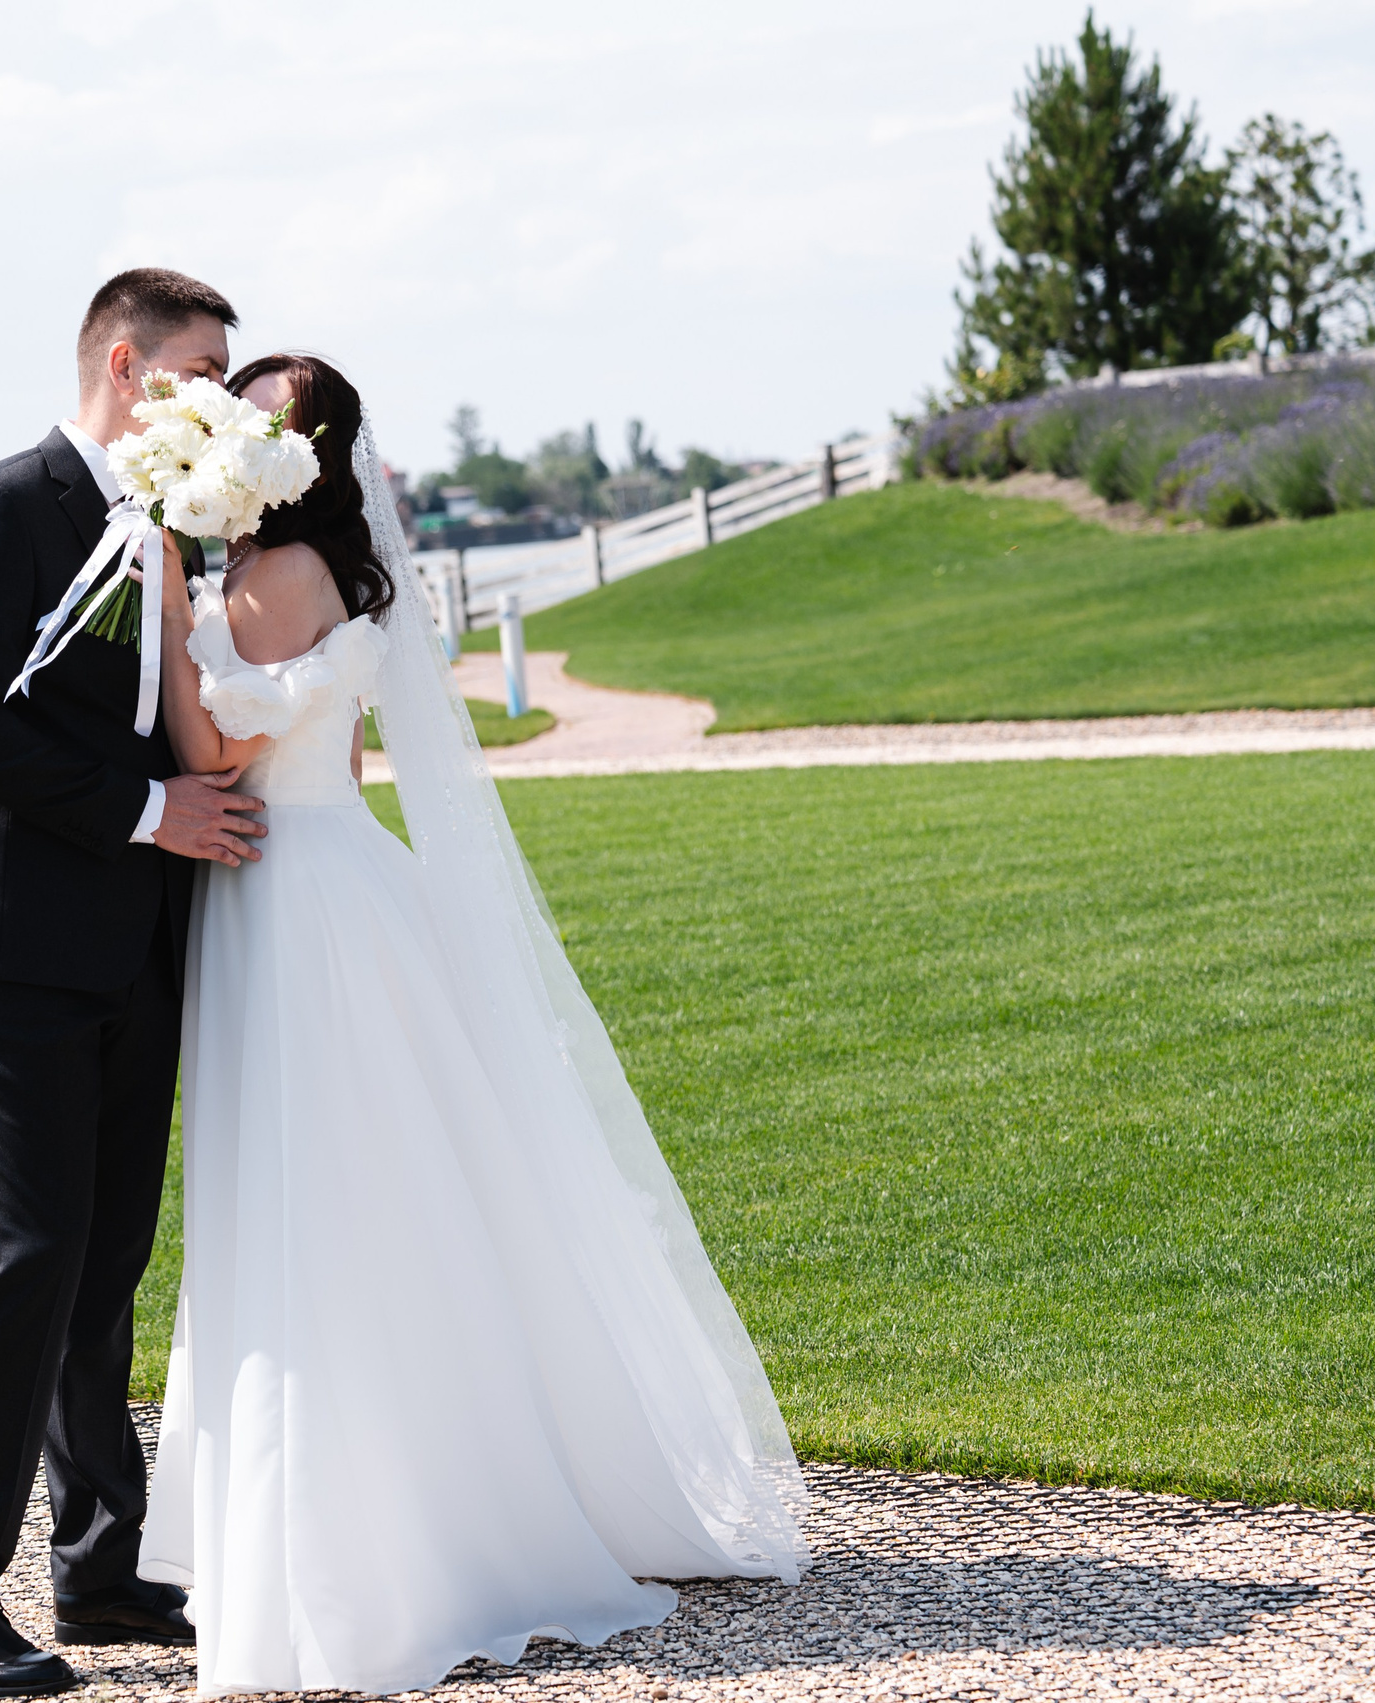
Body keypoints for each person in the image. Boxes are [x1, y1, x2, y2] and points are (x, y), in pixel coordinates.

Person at [138, 353, 807, 1697]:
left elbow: (218, 754)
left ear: (285, 457)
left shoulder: (270, 576)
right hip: (326, 872)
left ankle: (357, 1548)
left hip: (291, 898)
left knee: (313, 1199)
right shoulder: (313, 572)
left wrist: (164, 595)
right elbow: (338, 750)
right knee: (372, 1188)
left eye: (246, 422)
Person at [0, 269, 270, 1697]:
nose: (221, 398)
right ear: (125, 365)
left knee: (109, 1259)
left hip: (139, 942)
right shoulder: (2, 507)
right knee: (28, 1253)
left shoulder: (174, 523)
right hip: (11, 943)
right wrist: (152, 812)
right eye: (201, 370)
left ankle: (101, 1569)